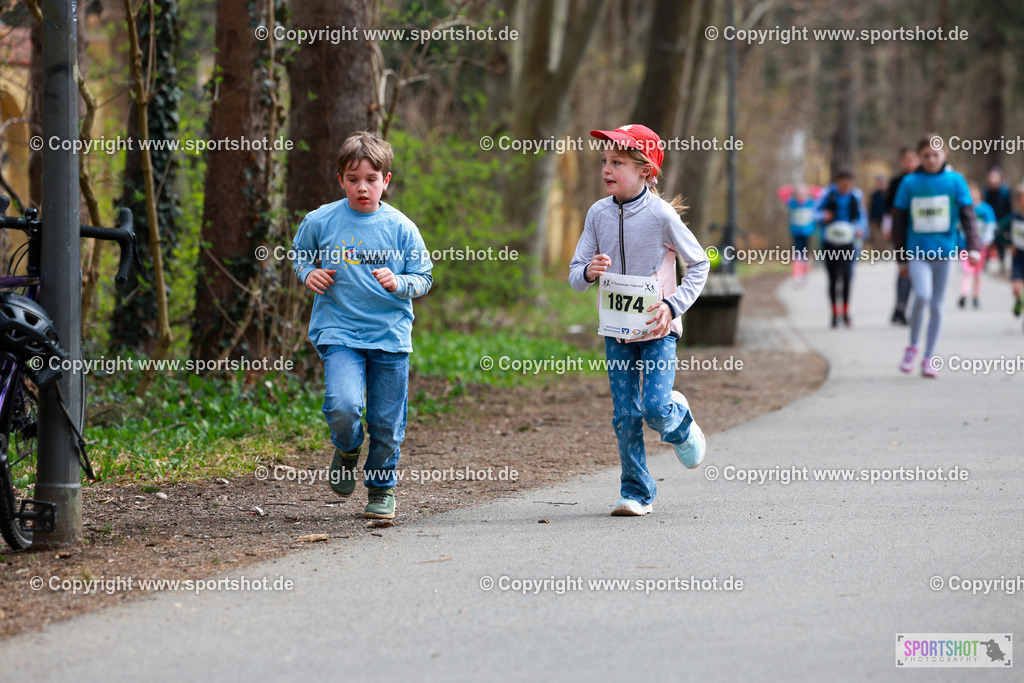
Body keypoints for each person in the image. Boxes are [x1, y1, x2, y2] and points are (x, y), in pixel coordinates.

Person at [569, 123, 710, 517]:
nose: (606, 169)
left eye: (617, 162)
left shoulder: (661, 215)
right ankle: (636, 492)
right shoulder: (597, 214)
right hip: (616, 332)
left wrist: (673, 306)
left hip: (657, 330)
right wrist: (589, 271)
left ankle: (679, 422)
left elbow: (699, 263)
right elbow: (576, 274)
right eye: (604, 161)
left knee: (654, 408)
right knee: (625, 415)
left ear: (645, 170)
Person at [292, 131, 433, 520]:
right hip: (339, 331)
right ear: (341, 180)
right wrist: (308, 273)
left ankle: (381, 489)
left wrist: (399, 282)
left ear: (386, 180)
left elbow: (424, 277)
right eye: (353, 179)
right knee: (343, 405)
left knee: (386, 424)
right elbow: (300, 253)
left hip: (390, 336)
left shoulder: (401, 228)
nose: (362, 188)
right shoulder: (321, 220)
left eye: (371, 179)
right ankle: (348, 445)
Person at [893, 134, 980, 378]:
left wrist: (973, 247)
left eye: (935, 154)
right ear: (919, 157)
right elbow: (899, 222)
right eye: (926, 155)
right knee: (922, 295)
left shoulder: (956, 181)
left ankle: (929, 357)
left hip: (945, 252)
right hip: (917, 251)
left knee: (937, 304)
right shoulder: (910, 183)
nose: (931, 159)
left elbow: (968, 216)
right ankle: (912, 346)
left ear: (944, 155)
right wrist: (900, 257)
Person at [815, 169, 866, 327]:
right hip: (830, 242)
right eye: (843, 184)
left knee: (846, 277)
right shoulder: (827, 194)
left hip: (848, 243)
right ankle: (834, 314)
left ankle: (845, 313)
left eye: (848, 184)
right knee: (832, 279)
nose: (846, 187)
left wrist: (860, 229)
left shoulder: (856, 196)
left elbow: (862, 217)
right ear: (837, 182)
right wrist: (823, 216)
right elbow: (814, 213)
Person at [885, 147, 920, 325]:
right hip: (901, 232)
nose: (910, 162)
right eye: (907, 159)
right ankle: (900, 307)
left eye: (913, 158)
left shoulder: (923, 180)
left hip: (921, 233)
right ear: (901, 161)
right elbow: (888, 208)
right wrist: (887, 227)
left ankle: (913, 308)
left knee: (918, 272)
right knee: (904, 269)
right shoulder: (896, 182)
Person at [958, 182, 996, 309]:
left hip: (981, 246)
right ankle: (964, 294)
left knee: (978, 273)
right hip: (965, 245)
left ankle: (975, 297)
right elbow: (958, 226)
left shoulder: (986, 209)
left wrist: (986, 241)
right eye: (969, 192)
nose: (972, 195)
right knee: (966, 271)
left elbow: (991, 226)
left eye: (974, 192)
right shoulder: (963, 208)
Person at [778, 183, 817, 285]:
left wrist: (809, 189)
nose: (801, 195)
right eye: (799, 193)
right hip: (795, 233)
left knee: (806, 255)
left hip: (808, 233)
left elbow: (821, 193)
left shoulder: (811, 203)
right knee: (797, 254)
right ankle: (797, 275)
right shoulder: (792, 203)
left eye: (803, 193)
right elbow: (781, 193)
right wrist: (793, 189)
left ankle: (805, 274)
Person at [983, 167, 1012, 274]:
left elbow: (1008, 208)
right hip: (989, 221)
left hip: (1001, 221)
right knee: (987, 241)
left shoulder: (1005, 192)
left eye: (995, 177)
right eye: (991, 177)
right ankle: (984, 263)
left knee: (1001, 243)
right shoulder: (986, 191)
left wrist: (1006, 222)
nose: (993, 180)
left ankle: (1002, 263)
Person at [1009, 185, 1024, 325]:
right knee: (1016, 288)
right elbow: (999, 231)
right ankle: (1019, 301)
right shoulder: (1013, 217)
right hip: (1018, 258)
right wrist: (1009, 244)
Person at [868, 174, 889, 251]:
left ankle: (885, 252)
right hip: (875, 218)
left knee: (885, 237)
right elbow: (871, 207)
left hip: (886, 219)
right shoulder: (874, 194)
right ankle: (877, 251)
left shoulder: (888, 194)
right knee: (876, 238)